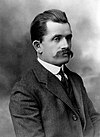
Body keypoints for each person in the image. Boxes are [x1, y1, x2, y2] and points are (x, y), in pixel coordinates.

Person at [9, 9, 100, 137]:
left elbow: (94, 120)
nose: (66, 45)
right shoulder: (24, 92)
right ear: (38, 46)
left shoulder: (75, 79)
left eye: (68, 38)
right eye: (57, 39)